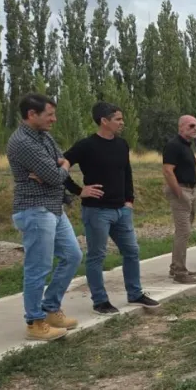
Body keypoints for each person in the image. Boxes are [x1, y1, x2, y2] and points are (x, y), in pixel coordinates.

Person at [63, 101, 160, 315]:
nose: (122, 123)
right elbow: (61, 165)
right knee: (97, 256)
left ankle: (135, 294)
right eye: (118, 119)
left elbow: (127, 172)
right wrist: (79, 190)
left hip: (121, 210)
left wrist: (129, 201)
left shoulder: (122, 144)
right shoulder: (86, 145)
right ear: (104, 121)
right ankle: (100, 300)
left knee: (132, 251)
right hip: (97, 211)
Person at [5, 93, 83, 341]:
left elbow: (60, 162)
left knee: (72, 255)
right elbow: (56, 174)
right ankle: (35, 322)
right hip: (35, 209)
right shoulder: (22, 142)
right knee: (38, 267)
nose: (54, 119)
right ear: (32, 114)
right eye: (49, 114)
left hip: (53, 207)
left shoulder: (44, 136)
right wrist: (57, 168)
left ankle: (50, 308)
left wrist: (58, 166)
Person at [162, 115, 196, 284]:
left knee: (183, 232)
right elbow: (167, 171)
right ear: (181, 127)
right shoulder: (173, 146)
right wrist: (178, 192)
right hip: (181, 190)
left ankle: (176, 267)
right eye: (191, 125)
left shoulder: (186, 146)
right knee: (183, 232)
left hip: (190, 190)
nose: (195, 128)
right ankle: (179, 272)